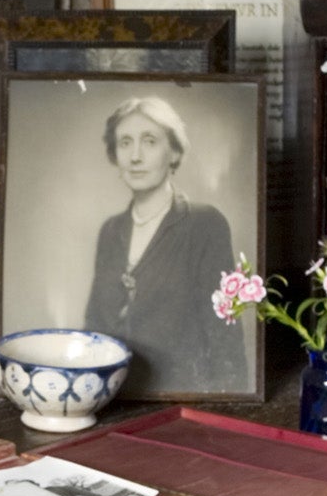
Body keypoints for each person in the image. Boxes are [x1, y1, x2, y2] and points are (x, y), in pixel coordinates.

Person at [81, 96, 240, 378]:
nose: (135, 156)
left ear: (175, 152)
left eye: (150, 141)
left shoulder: (204, 225)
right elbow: (93, 330)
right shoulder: (111, 231)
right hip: (116, 393)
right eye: (125, 142)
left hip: (184, 392)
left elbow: (225, 338)